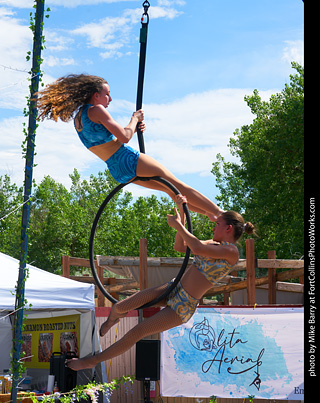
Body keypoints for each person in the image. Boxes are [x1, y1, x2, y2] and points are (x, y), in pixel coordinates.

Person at [66, 194, 255, 371]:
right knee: (121, 305)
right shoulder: (213, 245)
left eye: (218, 224)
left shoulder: (231, 252)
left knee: (139, 331)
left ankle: (92, 361)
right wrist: (181, 214)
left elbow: (195, 247)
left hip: (183, 306)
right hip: (174, 287)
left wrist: (179, 226)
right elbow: (180, 246)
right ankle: (112, 318)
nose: (213, 227)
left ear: (228, 228)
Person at [36, 74, 223, 220]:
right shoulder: (97, 110)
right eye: (107, 94)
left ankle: (208, 214)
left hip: (117, 169)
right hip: (128, 158)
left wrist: (135, 127)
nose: (110, 98)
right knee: (176, 184)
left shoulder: (79, 119)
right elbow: (124, 137)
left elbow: (111, 140)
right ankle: (220, 213)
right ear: (96, 95)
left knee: (169, 190)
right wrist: (134, 119)